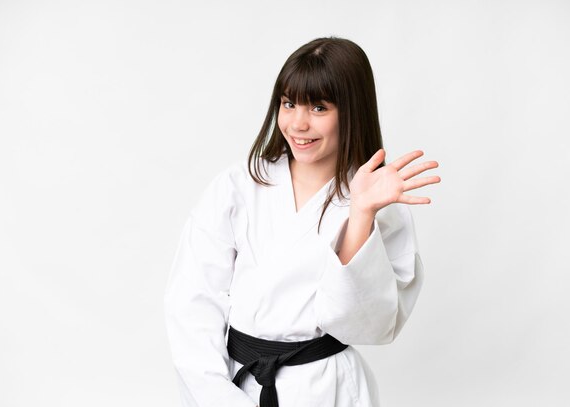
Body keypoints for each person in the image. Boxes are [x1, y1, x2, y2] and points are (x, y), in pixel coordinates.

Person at [164, 36, 441, 407]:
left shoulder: (379, 203)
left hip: (329, 389)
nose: (297, 123)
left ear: (351, 111)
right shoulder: (238, 186)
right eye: (289, 103)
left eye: (319, 108)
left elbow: (368, 326)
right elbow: (191, 304)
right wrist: (219, 397)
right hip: (235, 384)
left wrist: (360, 214)